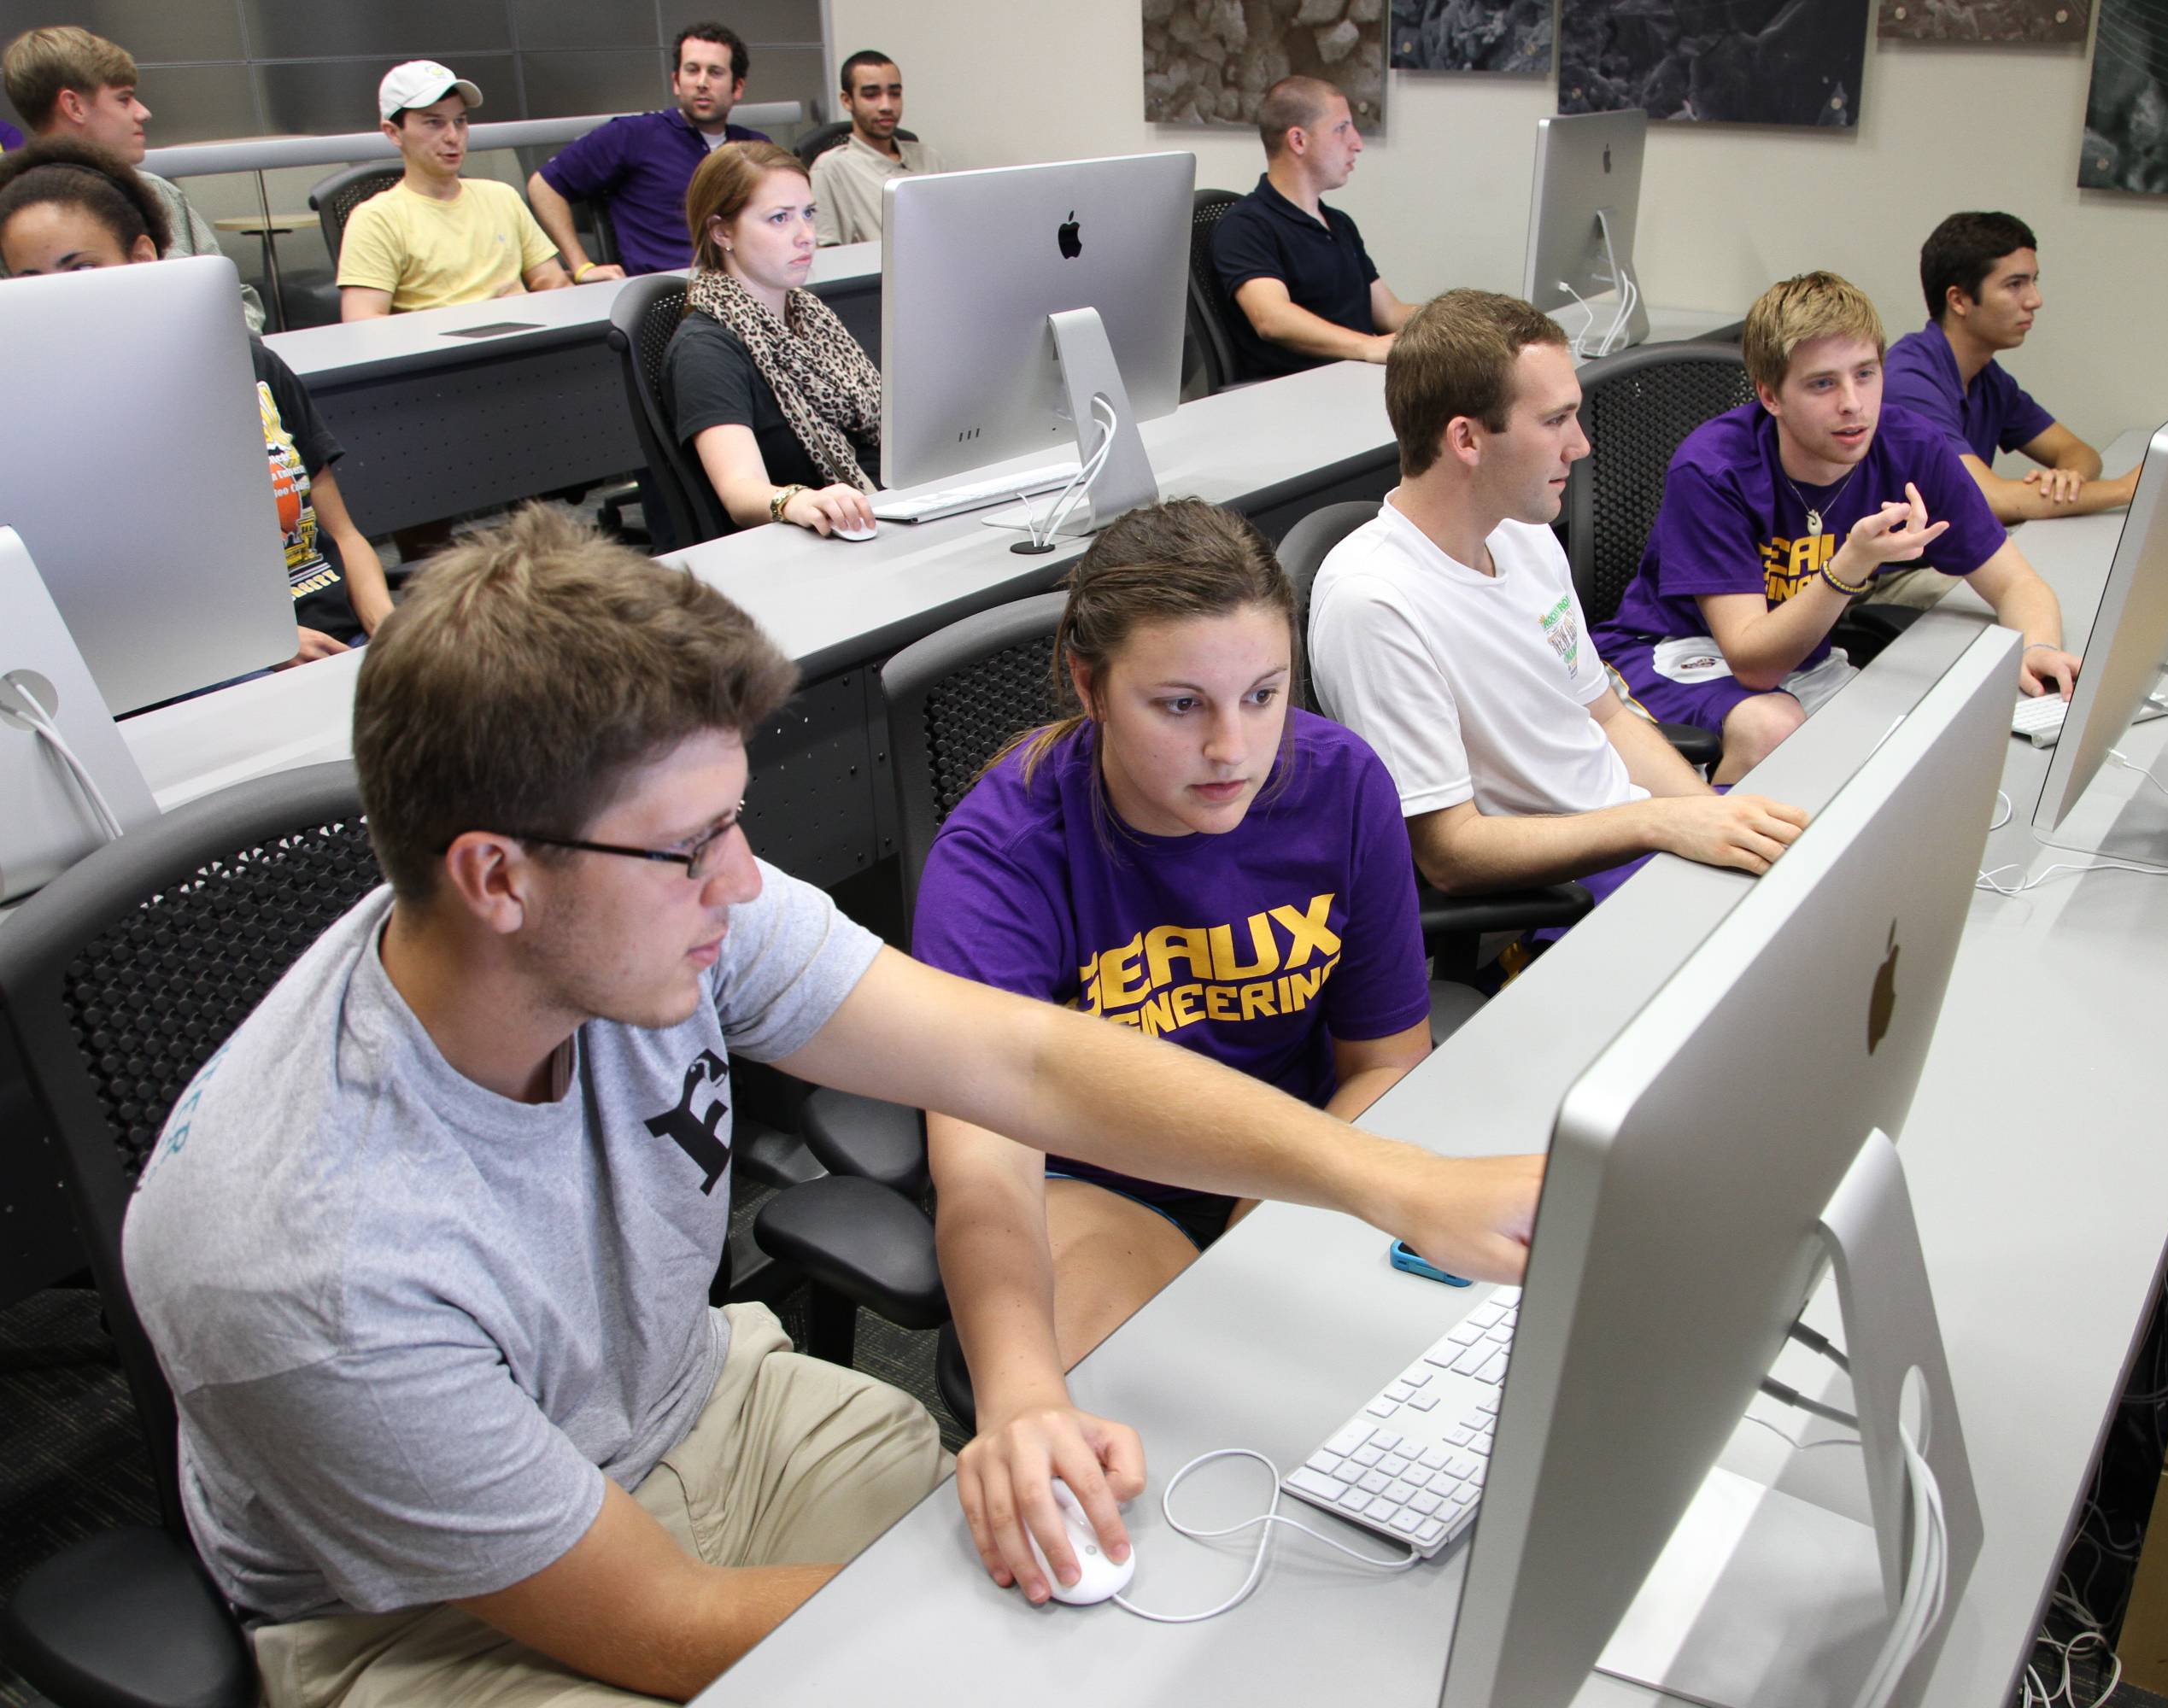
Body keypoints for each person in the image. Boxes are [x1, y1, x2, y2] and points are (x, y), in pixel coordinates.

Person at [120, 503, 1540, 1702]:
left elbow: (1023, 1062)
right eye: (693, 845)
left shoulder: (645, 909)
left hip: (701, 1398)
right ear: (496, 877)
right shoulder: (308, 1268)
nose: (745, 884)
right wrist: (1048, 1612)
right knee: (1042, 1633)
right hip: (428, 1607)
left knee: (1077, 1575)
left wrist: (1397, 1183)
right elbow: (662, 1622)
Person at [916, 499, 1435, 1600]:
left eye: (1264, 694)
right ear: (1088, 683)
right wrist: (1021, 1398)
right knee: (1149, 1452)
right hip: (1096, 1185)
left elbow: (1387, 1061)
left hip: (1289, 1152)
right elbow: (983, 1161)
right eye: (1180, 704)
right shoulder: (1003, 850)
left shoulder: (1342, 784)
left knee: (1333, 1408)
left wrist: (1269, 1220)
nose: (1231, 748)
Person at [1310, 289, 1807, 911]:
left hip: (1631, 838)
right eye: (1555, 421)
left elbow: (1608, 718)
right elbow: (1450, 853)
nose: (1580, 445)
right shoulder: (1374, 602)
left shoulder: (1522, 533)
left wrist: (1708, 816)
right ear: (1466, 439)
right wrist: (1661, 824)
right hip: (1571, 886)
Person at [1596, 272, 2083, 783]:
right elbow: (1753, 664)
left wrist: (2039, 649)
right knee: (1771, 728)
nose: (1852, 403)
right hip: (1674, 650)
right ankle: (1715, 827)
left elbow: (2017, 583)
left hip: (1801, 656)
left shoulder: (1911, 445)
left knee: (1914, 742)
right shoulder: (1714, 469)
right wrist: (1850, 565)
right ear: (1771, 396)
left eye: (1865, 374)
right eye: (1823, 383)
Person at [0, 139, 392, 660]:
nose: (57, 295)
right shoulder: (38, 422)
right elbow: (103, 605)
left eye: (81, 268)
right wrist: (260, 644)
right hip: (222, 661)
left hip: (341, 639)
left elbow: (342, 534)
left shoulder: (250, 366)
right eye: (30, 280)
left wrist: (388, 630)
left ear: (143, 257)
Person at [665, 140, 879, 538]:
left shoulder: (812, 319)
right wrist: (796, 501)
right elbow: (739, 490)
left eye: (808, 213)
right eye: (780, 218)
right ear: (722, 232)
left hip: (877, 511)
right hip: (818, 539)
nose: (806, 236)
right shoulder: (706, 349)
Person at [2, 25, 261, 329]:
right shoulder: (8, 211)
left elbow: (237, 303)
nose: (143, 112)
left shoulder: (158, 193)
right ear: (74, 106)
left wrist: (210, 338)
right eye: (124, 99)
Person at [1885, 212, 2135, 525]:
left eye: (2033, 281)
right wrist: (2127, 489)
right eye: (2015, 284)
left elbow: (2078, 451)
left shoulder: (1986, 375)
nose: (2035, 300)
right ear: (1959, 300)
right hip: (1910, 556)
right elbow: (1989, 500)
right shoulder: (1908, 382)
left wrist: (2066, 480)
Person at [525, 23, 768, 282]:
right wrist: (581, 266)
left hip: (751, 286)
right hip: (668, 292)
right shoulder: (632, 135)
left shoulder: (756, 148)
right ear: (676, 82)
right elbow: (543, 186)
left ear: (737, 87)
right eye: (692, 70)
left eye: (715, 72)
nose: (701, 83)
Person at [1210, 75, 1415, 379]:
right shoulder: (1245, 226)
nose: (1357, 143)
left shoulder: (1339, 224)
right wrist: (1366, 346)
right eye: (1341, 129)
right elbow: (1271, 318)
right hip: (1296, 393)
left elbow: (1390, 313)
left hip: (1355, 380)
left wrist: (1465, 323)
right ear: (1298, 141)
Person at [337, 61, 570, 320]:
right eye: (434, 123)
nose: (453, 136)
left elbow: (555, 285)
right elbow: (362, 322)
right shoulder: (377, 219)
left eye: (460, 121)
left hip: (524, 338)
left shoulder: (502, 197)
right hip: (440, 345)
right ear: (393, 133)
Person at [811, 49, 945, 247]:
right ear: (847, 101)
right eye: (871, 95)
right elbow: (826, 251)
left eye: (895, 94)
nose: (886, 106)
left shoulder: (929, 157)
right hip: (876, 266)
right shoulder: (831, 168)